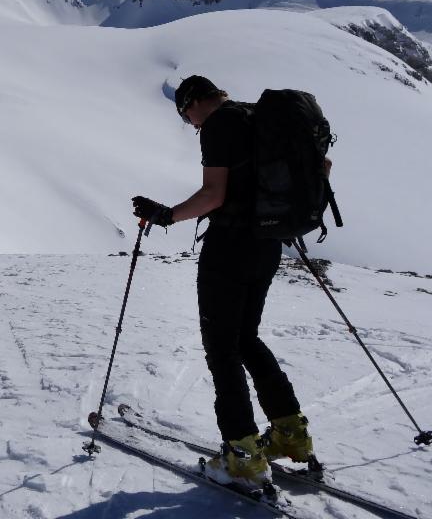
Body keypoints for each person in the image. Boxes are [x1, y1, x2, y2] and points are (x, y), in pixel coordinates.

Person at [132, 75, 316, 493]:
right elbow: (320, 167)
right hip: (268, 244)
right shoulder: (258, 117)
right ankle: (290, 433)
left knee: (222, 347)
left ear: (195, 101)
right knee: (247, 337)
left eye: (186, 115)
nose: (190, 124)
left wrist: (166, 215)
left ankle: (242, 456)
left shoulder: (220, 125)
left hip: (230, 246)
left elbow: (214, 194)